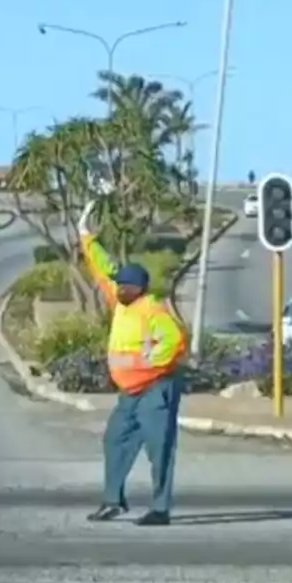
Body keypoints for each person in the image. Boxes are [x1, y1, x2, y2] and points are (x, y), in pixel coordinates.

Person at [78, 198, 188, 526]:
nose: (121, 288)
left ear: (140, 288)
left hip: (156, 389)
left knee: (160, 448)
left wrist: (154, 362)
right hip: (130, 393)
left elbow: (177, 339)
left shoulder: (152, 310)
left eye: (127, 285)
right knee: (115, 440)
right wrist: (87, 237)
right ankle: (113, 500)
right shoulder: (121, 303)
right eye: (120, 285)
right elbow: (102, 268)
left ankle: (160, 509)